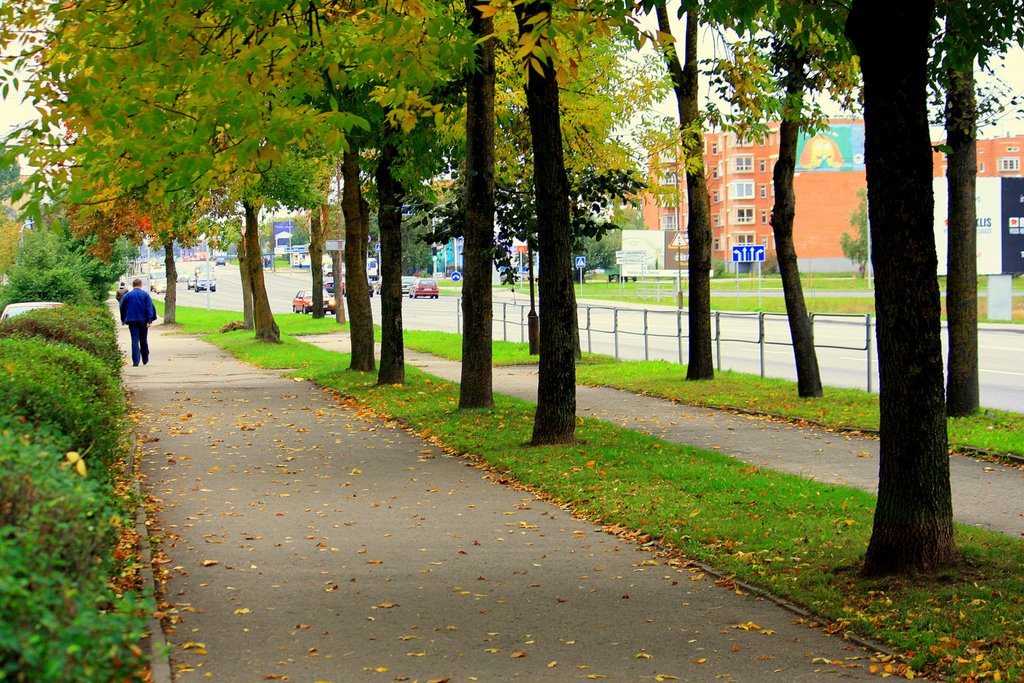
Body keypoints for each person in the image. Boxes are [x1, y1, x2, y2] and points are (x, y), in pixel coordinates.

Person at [119, 278, 158, 367]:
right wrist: (149, 320)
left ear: (133, 285)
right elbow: (150, 308)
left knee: (134, 340)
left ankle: (136, 361)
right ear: (140, 285)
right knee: (143, 340)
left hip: (132, 320)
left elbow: (122, 308)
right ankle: (145, 359)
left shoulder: (127, 296)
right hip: (143, 320)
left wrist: (123, 319)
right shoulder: (145, 295)